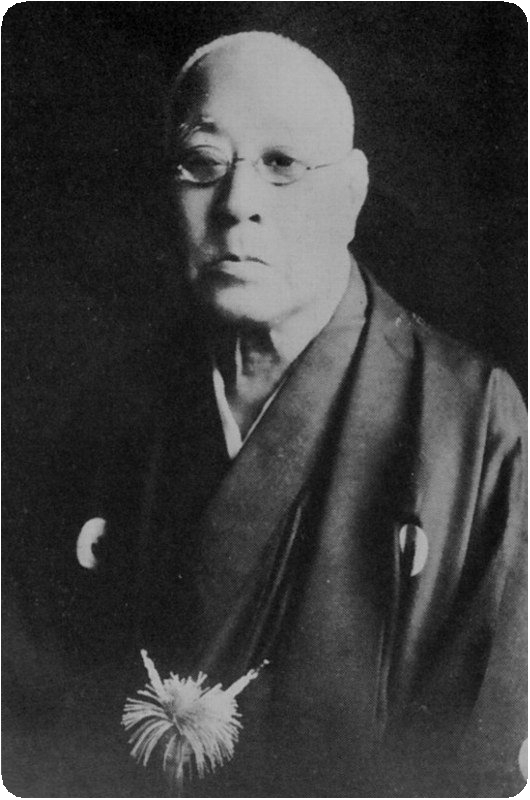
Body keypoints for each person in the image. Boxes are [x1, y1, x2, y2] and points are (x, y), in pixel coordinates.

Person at [25, 31, 527, 797]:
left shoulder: (475, 420)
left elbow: (477, 758)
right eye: (202, 162)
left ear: (351, 196)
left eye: (283, 165)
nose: (237, 206)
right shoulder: (111, 410)